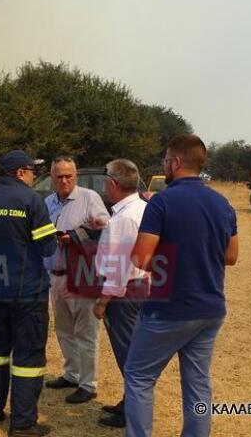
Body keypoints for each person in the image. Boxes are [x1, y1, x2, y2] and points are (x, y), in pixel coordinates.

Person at [124, 135, 239, 437]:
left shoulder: (162, 201)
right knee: (198, 385)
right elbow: (231, 256)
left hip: (169, 309)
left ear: (175, 162)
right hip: (211, 308)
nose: (164, 164)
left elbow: (140, 257)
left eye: (165, 160)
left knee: (138, 377)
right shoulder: (222, 203)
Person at [0, 150, 57, 437]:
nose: (34, 176)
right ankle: (23, 424)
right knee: (28, 357)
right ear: (20, 172)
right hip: (28, 290)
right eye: (32, 171)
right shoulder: (32, 200)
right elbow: (47, 247)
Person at [43, 157, 108, 404]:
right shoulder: (47, 202)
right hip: (55, 276)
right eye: (59, 176)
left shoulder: (89, 198)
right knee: (64, 329)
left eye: (68, 175)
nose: (64, 180)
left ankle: (88, 384)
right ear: (52, 177)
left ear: (76, 176)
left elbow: (105, 227)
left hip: (81, 277)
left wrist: (77, 234)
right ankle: (72, 374)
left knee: (86, 332)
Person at [89, 159, 147, 428]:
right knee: (135, 351)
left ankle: (132, 412)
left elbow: (119, 266)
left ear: (113, 184)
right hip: (141, 289)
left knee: (128, 355)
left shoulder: (123, 218)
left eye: (105, 181)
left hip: (124, 295)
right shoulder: (141, 209)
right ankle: (130, 402)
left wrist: (103, 301)